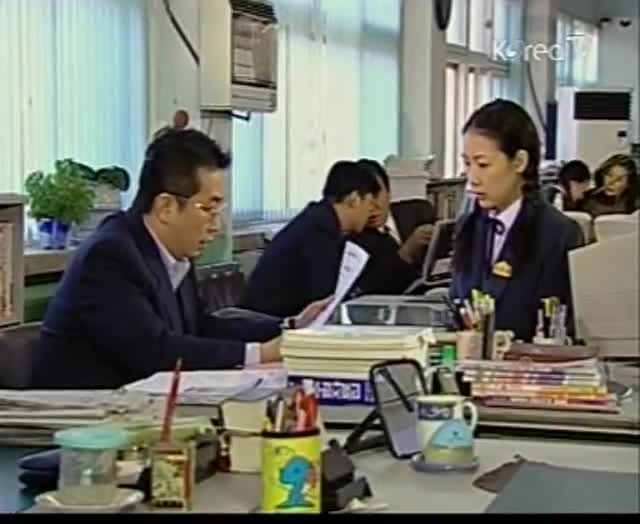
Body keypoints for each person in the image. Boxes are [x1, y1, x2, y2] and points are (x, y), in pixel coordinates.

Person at [30, 130, 329, 389]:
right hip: (83, 421)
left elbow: (200, 327)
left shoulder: (171, 252)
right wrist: (261, 354)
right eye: (208, 210)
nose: (216, 226)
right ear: (166, 207)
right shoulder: (109, 256)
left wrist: (290, 327)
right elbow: (152, 352)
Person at [449, 99, 584, 342]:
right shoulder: (467, 226)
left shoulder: (558, 233)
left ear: (520, 162)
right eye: (467, 164)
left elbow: (559, 329)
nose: (472, 178)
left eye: (483, 164)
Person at [240, 161, 381, 318]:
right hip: (267, 324)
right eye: (370, 203)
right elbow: (324, 300)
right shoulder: (319, 230)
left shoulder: (318, 219)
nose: (373, 210)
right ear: (353, 199)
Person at [350, 159, 436, 295]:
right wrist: (407, 252)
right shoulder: (355, 237)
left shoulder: (419, 211)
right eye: (364, 198)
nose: (372, 206)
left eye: (376, 195)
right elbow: (376, 286)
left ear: (389, 192)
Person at [580, 153, 639, 218]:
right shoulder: (587, 198)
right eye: (609, 175)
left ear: (628, 184)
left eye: (618, 179)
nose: (611, 183)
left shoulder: (635, 205)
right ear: (602, 175)